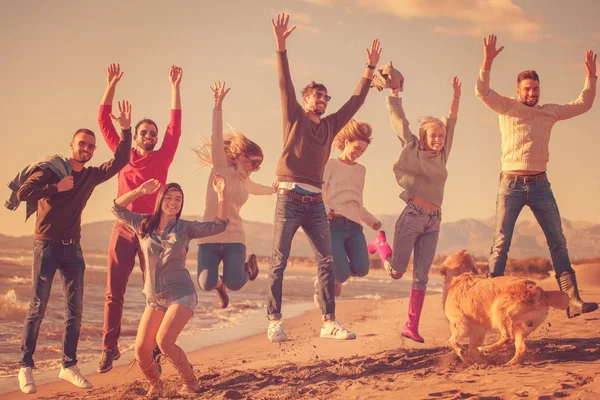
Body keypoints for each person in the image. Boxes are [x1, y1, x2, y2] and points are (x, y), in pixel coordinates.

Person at [267, 12, 380, 342]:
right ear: (305, 100)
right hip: (288, 198)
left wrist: (369, 69)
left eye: (325, 97)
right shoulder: (294, 118)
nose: (322, 100)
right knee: (279, 261)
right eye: (317, 96)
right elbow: (283, 83)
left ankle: (329, 321)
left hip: (314, 199)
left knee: (327, 262)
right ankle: (274, 320)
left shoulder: (330, 126)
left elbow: (356, 101)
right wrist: (280, 46)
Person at [476, 34, 598, 318]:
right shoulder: (506, 107)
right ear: (518, 90)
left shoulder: (549, 113)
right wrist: (487, 62)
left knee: (558, 240)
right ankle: (488, 301)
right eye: (528, 89)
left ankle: (572, 301)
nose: (533, 93)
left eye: (536, 89)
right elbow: (482, 92)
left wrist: (591, 77)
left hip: (541, 185)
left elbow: (584, 104)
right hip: (511, 185)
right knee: (500, 243)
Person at [16, 101, 132, 394]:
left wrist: (126, 129)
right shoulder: (52, 171)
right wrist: (56, 188)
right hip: (46, 246)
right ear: (72, 145)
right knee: (38, 307)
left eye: (91, 146)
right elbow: (23, 192)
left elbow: (120, 160)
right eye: (82, 144)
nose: (87, 148)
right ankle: (25, 367)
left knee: (75, 312)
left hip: (73, 250)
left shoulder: (91, 176)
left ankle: (68, 365)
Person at [97, 63, 183, 373]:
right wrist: (111, 85)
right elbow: (103, 122)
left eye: (153, 133)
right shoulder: (125, 153)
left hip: (152, 233)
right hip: (123, 229)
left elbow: (176, 124)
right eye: (144, 132)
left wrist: (174, 86)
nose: (149, 136)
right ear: (136, 136)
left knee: (157, 291)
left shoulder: (163, 156)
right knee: (113, 291)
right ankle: (109, 348)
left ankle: (156, 346)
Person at [110, 176, 229, 395]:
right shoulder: (143, 223)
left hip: (181, 294)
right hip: (155, 297)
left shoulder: (186, 228)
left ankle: (191, 382)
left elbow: (219, 226)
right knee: (141, 350)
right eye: (169, 197)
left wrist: (221, 195)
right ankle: (157, 385)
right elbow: (117, 208)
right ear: (160, 199)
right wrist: (138, 191)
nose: (173, 202)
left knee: (164, 342)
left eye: (178, 199)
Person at [385, 76, 461, 343]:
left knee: (422, 275)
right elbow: (401, 125)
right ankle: (380, 246)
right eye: (434, 135)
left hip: (434, 221)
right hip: (412, 218)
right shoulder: (414, 150)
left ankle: (411, 326)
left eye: (441, 136)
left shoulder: (442, 156)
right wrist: (394, 96)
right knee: (396, 272)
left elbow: (451, 123)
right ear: (424, 137)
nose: (439, 139)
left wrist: (455, 98)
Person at [194, 81, 276, 308]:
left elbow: (257, 188)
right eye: (253, 162)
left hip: (235, 238)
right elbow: (216, 134)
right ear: (240, 155)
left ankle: (248, 268)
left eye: (259, 166)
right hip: (209, 237)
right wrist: (217, 106)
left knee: (236, 283)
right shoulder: (220, 166)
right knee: (206, 283)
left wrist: (274, 190)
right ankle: (219, 286)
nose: (255, 168)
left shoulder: (245, 180)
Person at [322, 120, 382, 298]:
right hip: (334, 225)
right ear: (346, 141)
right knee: (341, 274)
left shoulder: (361, 170)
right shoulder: (331, 164)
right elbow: (319, 191)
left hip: (355, 227)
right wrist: (327, 210)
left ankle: (332, 274)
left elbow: (358, 203)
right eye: (356, 148)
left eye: (362, 151)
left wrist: (372, 221)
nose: (359, 153)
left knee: (362, 270)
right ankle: (329, 277)